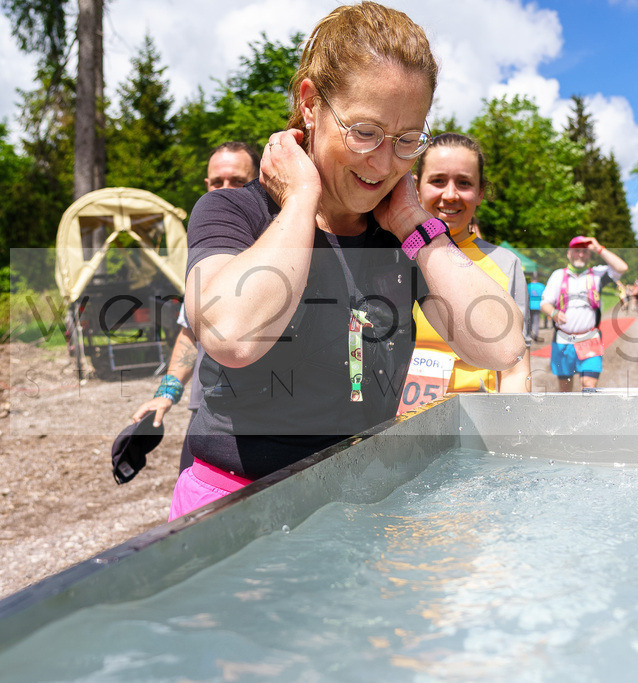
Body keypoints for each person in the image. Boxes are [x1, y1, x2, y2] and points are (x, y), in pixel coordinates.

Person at [171, 2, 524, 519]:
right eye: (364, 132)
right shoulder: (232, 210)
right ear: (310, 104)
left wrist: (415, 228)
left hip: (357, 505)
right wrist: (300, 201)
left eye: (407, 141)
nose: (383, 164)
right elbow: (233, 335)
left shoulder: (400, 237)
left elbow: (501, 346)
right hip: (237, 504)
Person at [130, 142, 260, 466]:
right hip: (206, 412)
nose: (225, 192)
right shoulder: (207, 247)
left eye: (238, 182)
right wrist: (166, 394)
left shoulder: (280, 240)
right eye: (217, 183)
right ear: (206, 185)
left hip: (268, 417)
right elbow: (190, 331)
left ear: (259, 182)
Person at [397, 133, 530, 413]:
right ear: (416, 187)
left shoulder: (505, 263)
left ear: (481, 192)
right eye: (438, 180)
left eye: (464, 183)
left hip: (471, 435)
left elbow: (516, 371)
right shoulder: (390, 255)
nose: (450, 194)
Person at [540, 235, 628, 392]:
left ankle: (586, 417)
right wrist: (553, 313)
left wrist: (599, 248)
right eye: (577, 251)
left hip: (590, 339)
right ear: (569, 253)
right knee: (565, 390)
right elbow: (544, 303)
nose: (581, 254)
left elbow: (621, 268)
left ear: (589, 255)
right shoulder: (558, 275)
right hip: (563, 340)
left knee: (588, 387)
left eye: (585, 252)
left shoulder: (597, 274)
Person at [528, 272, 545, 342]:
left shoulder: (527, 286)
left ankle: (528, 334)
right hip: (537, 305)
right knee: (536, 321)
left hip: (529, 305)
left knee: (529, 321)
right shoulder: (541, 286)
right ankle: (535, 335)